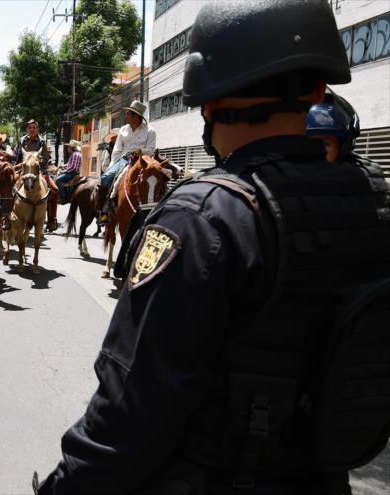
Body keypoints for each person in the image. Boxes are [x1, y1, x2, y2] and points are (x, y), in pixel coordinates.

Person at [36, 1, 390, 493]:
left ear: (206, 99)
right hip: (323, 481)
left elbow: (131, 409)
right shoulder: (377, 197)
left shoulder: (200, 218)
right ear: (318, 90)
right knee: (113, 177)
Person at [306, 91, 360, 163]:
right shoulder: (289, 171)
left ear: (343, 148)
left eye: (325, 144)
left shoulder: (360, 174)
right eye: (308, 143)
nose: (314, 152)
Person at [56, 140, 82, 204]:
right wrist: (62, 166)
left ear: (72, 148)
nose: (67, 148)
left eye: (68, 147)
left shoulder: (75, 155)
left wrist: (64, 171)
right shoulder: (75, 154)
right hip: (72, 172)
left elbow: (73, 167)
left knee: (58, 180)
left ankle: (63, 197)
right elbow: (69, 164)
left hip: (72, 173)